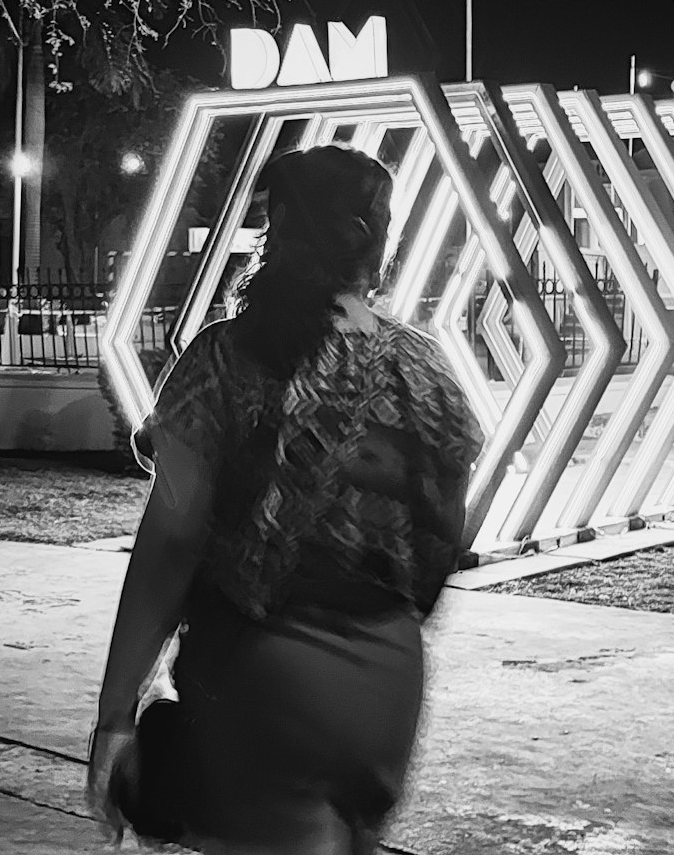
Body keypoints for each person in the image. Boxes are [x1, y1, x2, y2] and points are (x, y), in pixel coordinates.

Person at [87, 144, 483, 854]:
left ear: (276, 230)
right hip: (387, 685)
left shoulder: (225, 357)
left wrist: (115, 712)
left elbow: (173, 538)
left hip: (263, 681)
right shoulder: (422, 367)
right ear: (379, 238)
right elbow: (449, 529)